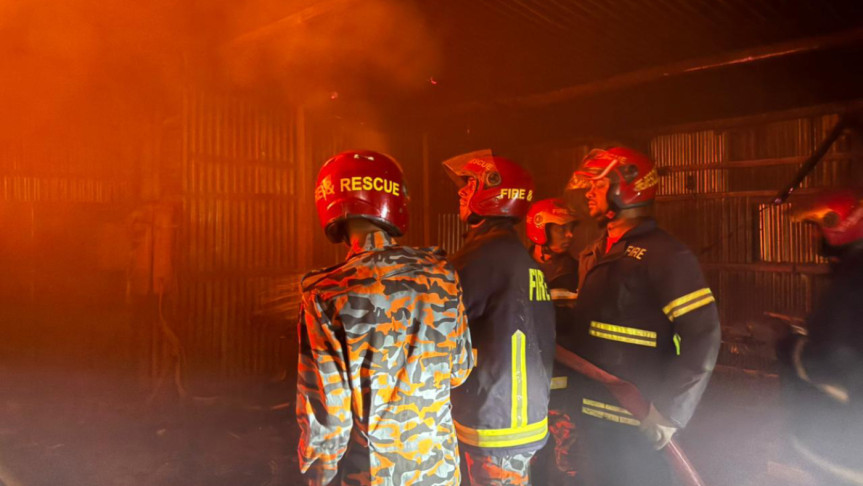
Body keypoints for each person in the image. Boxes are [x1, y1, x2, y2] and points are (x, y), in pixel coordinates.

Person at [297, 150, 474, 486]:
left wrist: (319, 477)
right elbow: (459, 370)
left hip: (374, 474)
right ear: (395, 200)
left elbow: (330, 416)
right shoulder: (442, 274)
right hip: (439, 469)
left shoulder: (326, 293)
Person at [565, 146, 721, 486]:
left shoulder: (667, 255)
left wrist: (670, 413)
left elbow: (703, 334)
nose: (588, 193)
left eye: (598, 185)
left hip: (639, 420)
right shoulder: (594, 252)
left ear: (628, 187)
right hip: (593, 413)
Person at [443, 150, 556, 485]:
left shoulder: (480, 258)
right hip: (522, 417)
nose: (462, 192)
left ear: (493, 191)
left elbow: (439, 326)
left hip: (495, 421)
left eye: (470, 184)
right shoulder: (520, 258)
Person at [775, 190, 863, 485]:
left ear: (838, 226)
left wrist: (789, 345)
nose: (814, 237)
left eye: (817, 229)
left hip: (843, 454)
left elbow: (831, 360)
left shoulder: (851, 281)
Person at [525, 198, 581, 484]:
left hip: (563, 390)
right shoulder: (519, 268)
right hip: (527, 389)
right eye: (561, 228)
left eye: (571, 228)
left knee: (565, 467)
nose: (569, 235)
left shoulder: (575, 273)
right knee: (529, 463)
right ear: (540, 229)